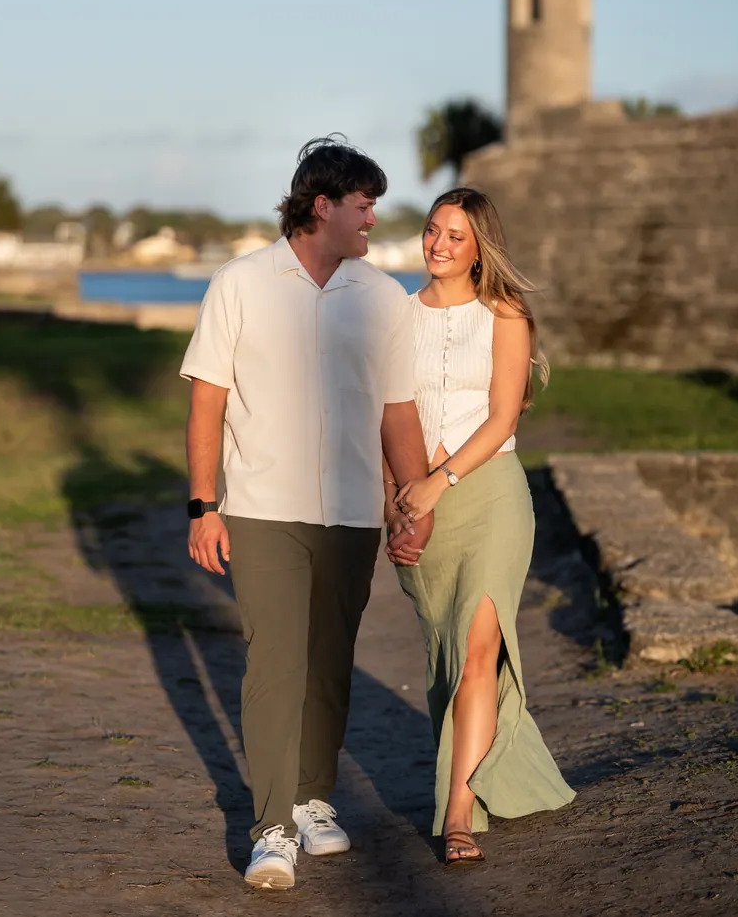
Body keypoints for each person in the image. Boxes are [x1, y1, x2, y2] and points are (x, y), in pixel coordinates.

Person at [179, 136, 430, 891]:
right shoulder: (241, 282)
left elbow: (399, 412)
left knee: (328, 666)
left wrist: (409, 503)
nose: (373, 221)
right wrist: (203, 506)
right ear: (322, 205)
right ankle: (272, 830)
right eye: (364, 206)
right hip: (260, 508)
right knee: (275, 662)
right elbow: (207, 400)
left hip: (353, 511)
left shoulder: (383, 297)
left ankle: (313, 798)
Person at [385, 186, 575, 865]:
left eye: (455, 235)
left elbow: (503, 417)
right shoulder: (396, 317)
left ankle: (459, 813)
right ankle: (495, 767)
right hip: (418, 504)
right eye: (433, 230)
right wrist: (398, 506)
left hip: (490, 494)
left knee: (475, 649)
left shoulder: (506, 311)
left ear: (480, 246)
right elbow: (388, 419)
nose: (438, 243)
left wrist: (439, 481)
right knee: (445, 658)